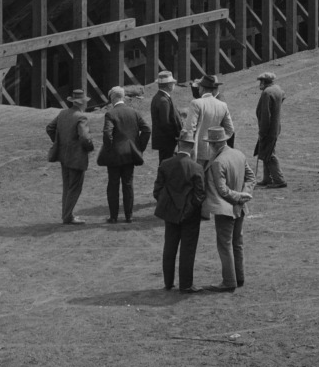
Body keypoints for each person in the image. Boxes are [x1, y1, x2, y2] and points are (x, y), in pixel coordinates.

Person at [201, 127, 255, 292]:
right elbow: (251, 177)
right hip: (240, 208)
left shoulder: (218, 162)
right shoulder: (238, 154)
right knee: (237, 243)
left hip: (226, 209)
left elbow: (222, 190)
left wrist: (239, 196)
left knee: (225, 245)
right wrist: (245, 194)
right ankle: (239, 277)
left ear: (214, 144)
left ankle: (229, 281)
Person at [152, 144, 207, 292]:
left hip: (170, 213)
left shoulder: (165, 164)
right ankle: (186, 284)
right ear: (192, 148)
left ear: (178, 146)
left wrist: (167, 205)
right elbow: (200, 194)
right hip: (190, 215)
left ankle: (168, 282)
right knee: (187, 249)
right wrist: (189, 209)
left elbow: (157, 190)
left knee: (169, 247)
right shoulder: (196, 167)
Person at [98, 85, 149, 223]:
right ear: (123, 97)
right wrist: (139, 147)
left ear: (112, 98)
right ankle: (129, 216)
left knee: (113, 185)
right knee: (128, 184)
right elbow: (147, 130)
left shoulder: (110, 114)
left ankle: (113, 217)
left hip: (115, 156)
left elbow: (107, 134)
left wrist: (109, 150)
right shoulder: (134, 112)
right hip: (130, 154)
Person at [45, 89, 95, 225]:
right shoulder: (81, 117)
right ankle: (67, 216)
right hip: (76, 157)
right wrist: (89, 147)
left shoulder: (63, 113)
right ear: (82, 103)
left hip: (63, 156)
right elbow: (84, 137)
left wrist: (58, 142)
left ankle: (66, 214)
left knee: (67, 187)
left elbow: (50, 128)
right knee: (75, 187)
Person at [186, 75, 234, 162]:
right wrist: (218, 141)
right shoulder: (223, 105)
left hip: (198, 153)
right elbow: (230, 130)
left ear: (202, 88)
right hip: (216, 152)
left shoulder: (196, 103)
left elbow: (189, 129)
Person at [254, 71, 288, 189]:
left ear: (264, 82)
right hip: (275, 127)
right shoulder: (277, 89)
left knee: (269, 154)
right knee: (266, 152)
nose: (260, 84)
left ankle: (279, 180)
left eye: (261, 82)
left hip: (268, 129)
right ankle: (267, 178)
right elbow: (283, 96)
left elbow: (265, 115)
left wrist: (262, 132)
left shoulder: (267, 93)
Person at [149, 70, 182, 163]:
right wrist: (175, 136)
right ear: (169, 85)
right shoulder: (163, 100)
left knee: (165, 162)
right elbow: (165, 122)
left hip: (164, 140)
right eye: (172, 83)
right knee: (166, 163)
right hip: (167, 140)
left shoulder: (159, 97)